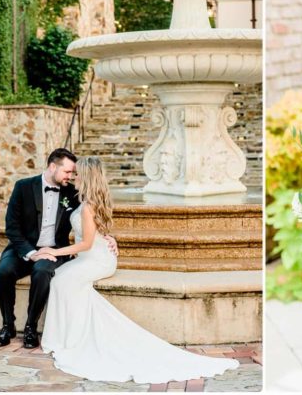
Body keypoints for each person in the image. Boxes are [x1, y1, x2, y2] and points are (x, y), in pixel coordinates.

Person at [39, 156, 240, 382]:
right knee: (61, 279)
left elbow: (85, 243)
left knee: (63, 281)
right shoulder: (87, 201)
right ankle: (64, 337)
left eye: (77, 173)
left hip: (97, 259)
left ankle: (73, 339)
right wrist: (107, 237)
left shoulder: (88, 206)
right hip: (92, 255)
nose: (74, 177)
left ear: (86, 176)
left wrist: (54, 251)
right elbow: (94, 233)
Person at [0, 148, 117, 348]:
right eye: (67, 172)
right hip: (23, 248)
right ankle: (8, 325)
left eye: (73, 173)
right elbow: (12, 228)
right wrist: (31, 253)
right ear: (53, 166)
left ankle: (31, 327)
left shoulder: (72, 191)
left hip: (54, 249)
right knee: (3, 273)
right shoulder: (23, 187)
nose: (71, 176)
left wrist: (107, 237)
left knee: (43, 273)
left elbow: (94, 214)